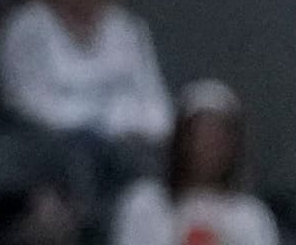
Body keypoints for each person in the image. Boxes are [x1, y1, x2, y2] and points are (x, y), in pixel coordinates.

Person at [0, 0, 170, 212]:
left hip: (127, 152)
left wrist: (133, 127)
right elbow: (30, 104)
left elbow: (156, 105)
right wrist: (99, 123)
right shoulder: (27, 28)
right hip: (55, 157)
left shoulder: (127, 30)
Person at [111, 81, 279, 245]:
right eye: (199, 136)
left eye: (217, 139)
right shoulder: (146, 205)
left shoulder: (250, 217)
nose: (207, 147)